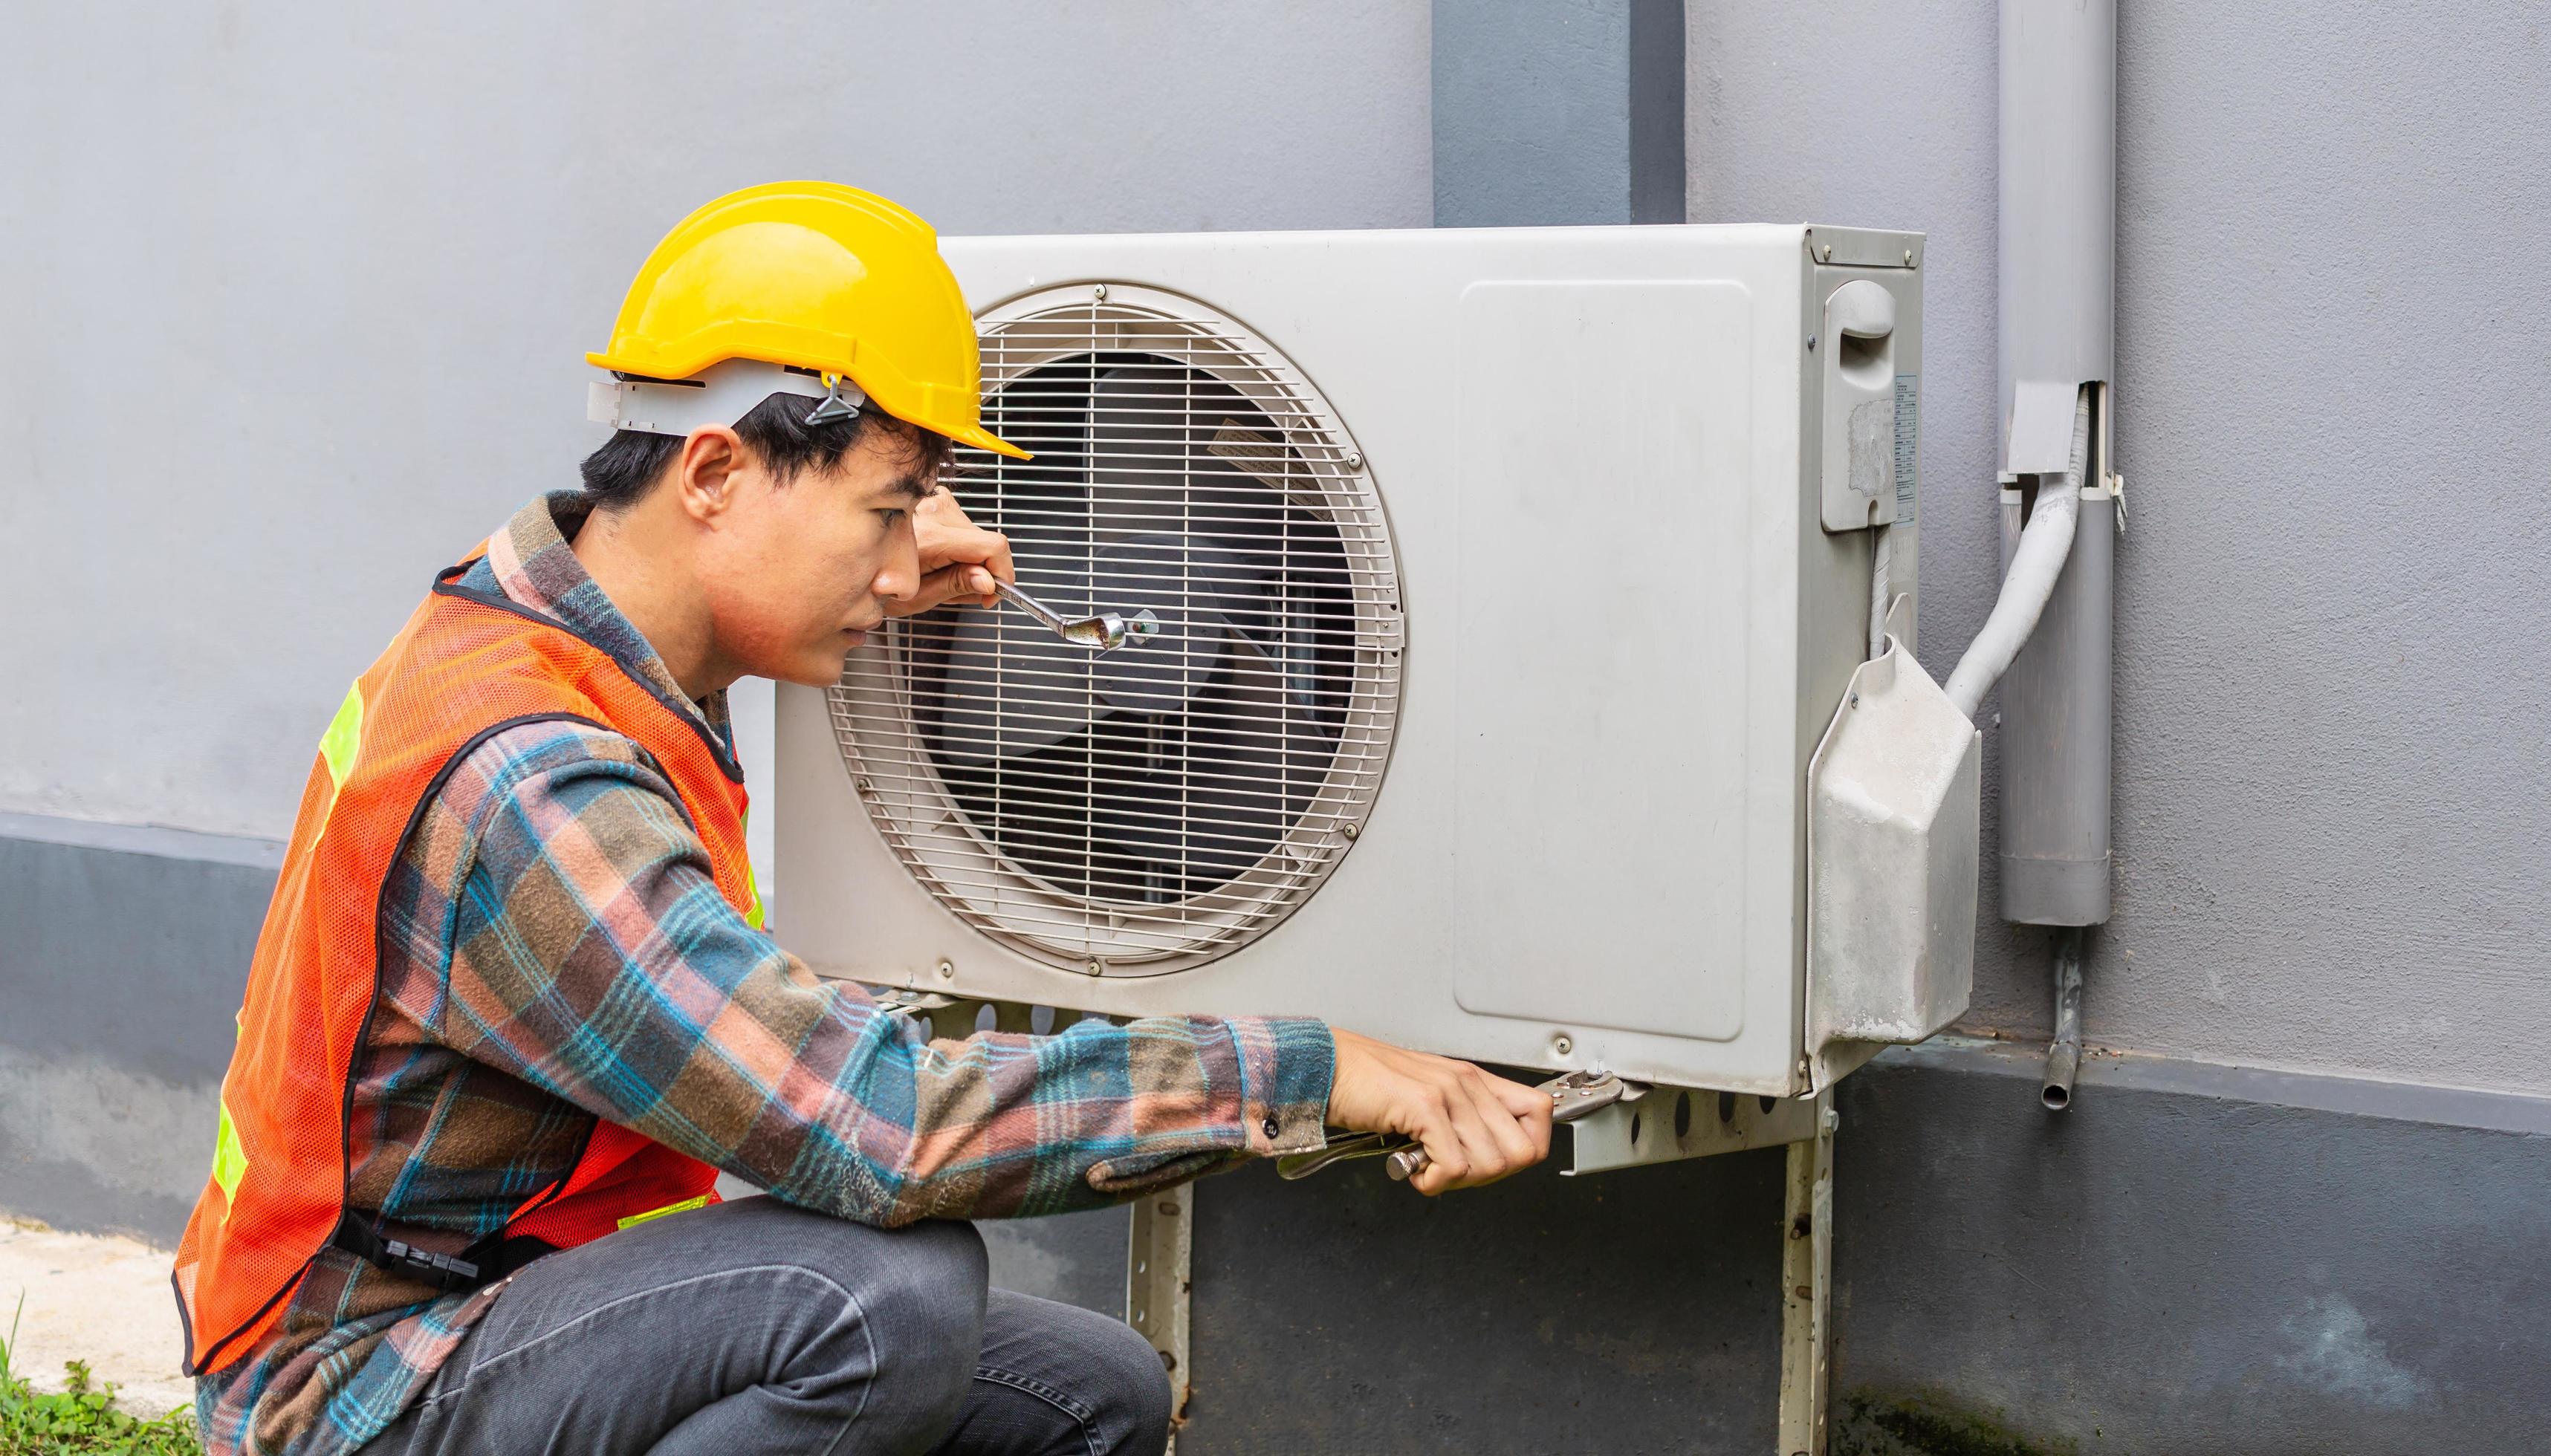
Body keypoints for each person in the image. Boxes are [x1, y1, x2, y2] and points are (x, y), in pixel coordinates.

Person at [172, 182, 1552, 1456]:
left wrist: (881, 552)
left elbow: (723, 583)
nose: (906, 565)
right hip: (361, 1393)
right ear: (712, 474)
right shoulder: (532, 780)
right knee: (875, 1295)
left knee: (1093, 1396)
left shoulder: (554, 613)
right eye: (887, 510)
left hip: (523, 1302)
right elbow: (878, 1130)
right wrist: (1293, 1071)